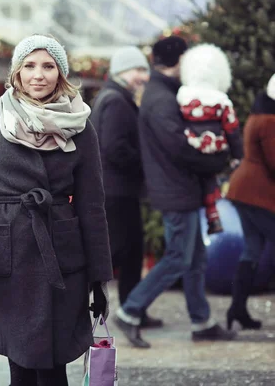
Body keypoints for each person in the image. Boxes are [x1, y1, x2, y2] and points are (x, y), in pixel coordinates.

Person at [0, 35, 112, 386]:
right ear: (17, 73)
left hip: (63, 259)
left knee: (54, 366)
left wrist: (100, 277)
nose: (38, 75)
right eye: (29, 65)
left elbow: (92, 205)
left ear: (60, 74)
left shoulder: (81, 127)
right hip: (8, 258)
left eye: (48, 66)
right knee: (21, 366)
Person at [115, 36, 236, 348]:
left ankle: (202, 321)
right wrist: (220, 158)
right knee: (178, 258)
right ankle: (130, 311)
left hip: (181, 188)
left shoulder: (166, 94)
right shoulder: (161, 99)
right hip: (175, 190)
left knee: (194, 258)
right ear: (180, 61)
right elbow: (180, 148)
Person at [90, 46, 163, 328]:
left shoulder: (112, 97)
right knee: (126, 251)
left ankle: (134, 310)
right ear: (122, 71)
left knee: (127, 252)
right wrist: (146, 162)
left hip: (115, 190)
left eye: (145, 70)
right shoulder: (118, 102)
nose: (144, 76)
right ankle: (131, 312)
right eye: (139, 70)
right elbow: (115, 148)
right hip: (118, 191)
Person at [225, 74, 275, 330]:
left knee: (252, 250)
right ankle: (237, 309)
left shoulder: (259, 115)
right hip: (256, 194)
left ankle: (237, 309)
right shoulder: (269, 121)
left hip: (245, 191)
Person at [177, 43, 243, 234]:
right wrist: (237, 155)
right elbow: (232, 129)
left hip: (191, 149)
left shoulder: (182, 95)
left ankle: (205, 222)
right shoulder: (221, 100)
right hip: (215, 152)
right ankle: (213, 217)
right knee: (210, 181)